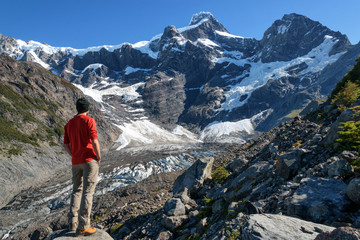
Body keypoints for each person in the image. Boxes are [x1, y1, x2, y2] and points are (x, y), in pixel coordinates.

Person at [63, 97, 101, 236]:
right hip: (89, 160)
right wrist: (98, 156)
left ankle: (72, 223)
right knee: (87, 192)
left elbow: (65, 144)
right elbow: (94, 141)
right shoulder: (89, 120)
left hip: (76, 161)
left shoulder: (69, 124)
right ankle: (83, 226)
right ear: (87, 108)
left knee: (76, 190)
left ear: (77, 108)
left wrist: (73, 154)